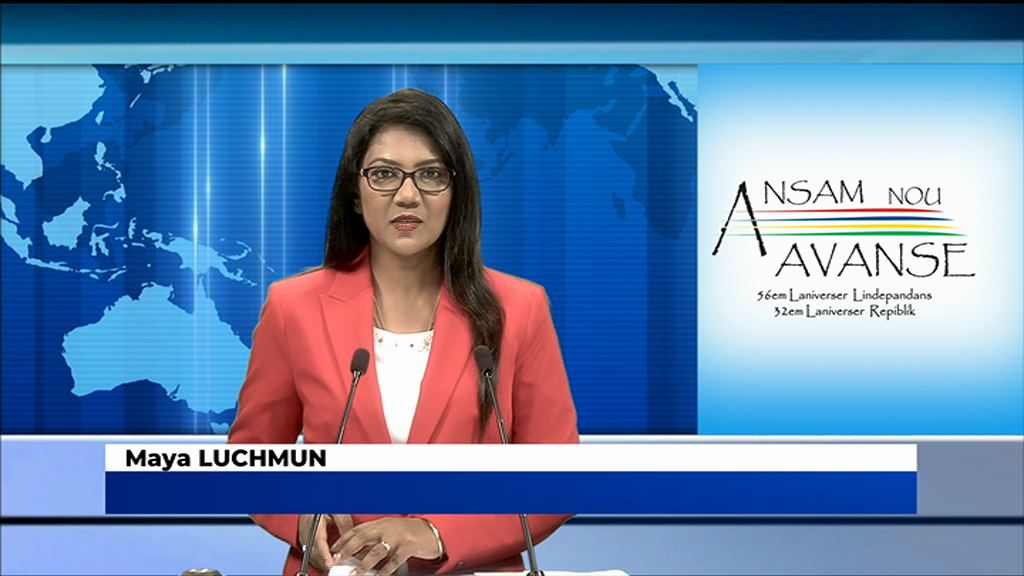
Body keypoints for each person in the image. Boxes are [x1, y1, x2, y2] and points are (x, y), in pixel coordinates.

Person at [228, 88, 580, 576]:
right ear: (355, 194)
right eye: (384, 174)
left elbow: (557, 480)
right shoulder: (294, 308)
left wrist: (434, 533)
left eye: (431, 174)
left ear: (457, 192)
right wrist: (302, 520)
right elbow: (251, 462)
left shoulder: (520, 309)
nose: (408, 195)